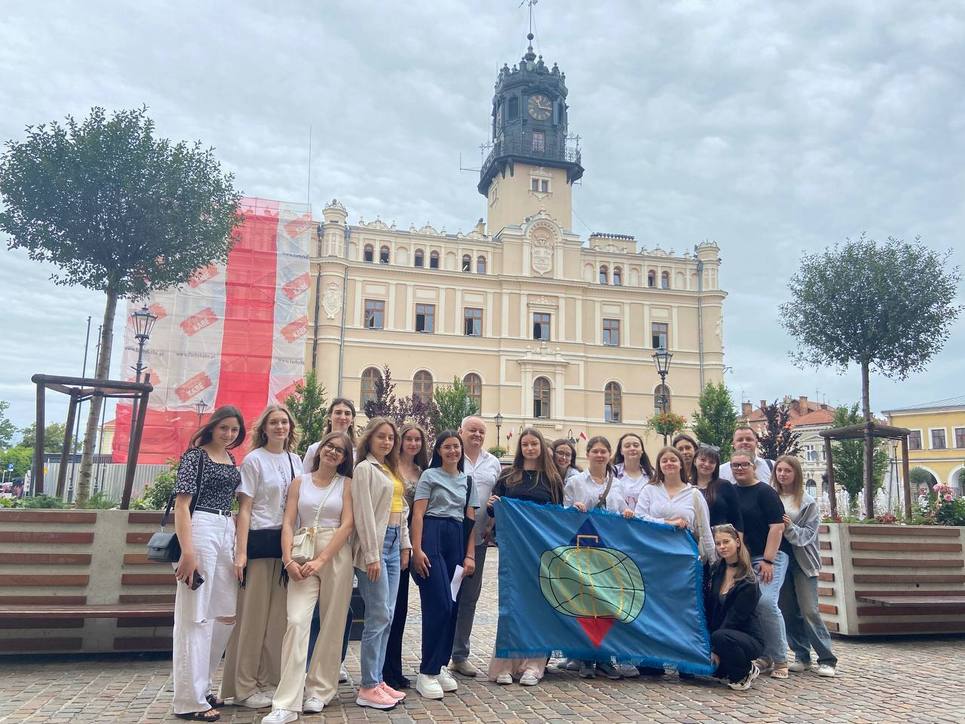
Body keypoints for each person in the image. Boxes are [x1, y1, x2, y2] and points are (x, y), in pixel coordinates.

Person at [262, 432, 355, 723]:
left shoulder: (347, 485)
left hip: (335, 554)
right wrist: (288, 558)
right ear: (319, 449)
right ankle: (286, 701)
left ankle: (320, 690)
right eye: (329, 446)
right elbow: (289, 521)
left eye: (339, 450)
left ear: (344, 458)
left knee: (331, 623)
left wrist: (323, 559)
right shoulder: (299, 482)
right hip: (301, 551)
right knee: (297, 621)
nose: (333, 452)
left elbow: (348, 524)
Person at [222, 405, 301, 709]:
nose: (280, 427)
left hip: (285, 547)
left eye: (284, 422)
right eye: (274, 422)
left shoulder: (296, 461)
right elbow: (244, 509)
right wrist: (240, 552)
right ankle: (242, 687)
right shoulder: (254, 460)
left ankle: (270, 681)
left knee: (277, 622)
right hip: (258, 542)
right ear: (264, 428)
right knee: (251, 620)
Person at [171, 406, 245, 722]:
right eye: (224, 428)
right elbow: (181, 505)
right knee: (194, 615)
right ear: (213, 427)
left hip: (225, 527)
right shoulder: (195, 457)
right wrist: (188, 552)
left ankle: (203, 686)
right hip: (199, 527)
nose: (228, 434)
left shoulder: (231, 459)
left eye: (234, 430)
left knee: (225, 614)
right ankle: (189, 700)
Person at [486, 427, 563, 686]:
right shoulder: (509, 477)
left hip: (541, 552)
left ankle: (534, 664)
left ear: (541, 447)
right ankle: (506, 663)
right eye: (526, 444)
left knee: (539, 606)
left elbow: (558, 517)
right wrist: (493, 505)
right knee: (512, 605)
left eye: (534, 444)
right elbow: (497, 514)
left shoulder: (552, 480)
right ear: (521, 448)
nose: (530, 448)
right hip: (514, 553)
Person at [410, 431, 479, 699]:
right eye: (447, 447)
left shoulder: (468, 481)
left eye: (456, 447)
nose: (452, 451)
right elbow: (418, 514)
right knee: (437, 603)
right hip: (433, 536)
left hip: (457, 540)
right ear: (438, 451)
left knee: (452, 606)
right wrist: (417, 548)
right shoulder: (430, 476)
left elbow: (470, 522)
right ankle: (426, 671)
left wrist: (469, 555)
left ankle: (439, 665)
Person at [351, 418, 411, 710]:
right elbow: (363, 514)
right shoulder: (365, 469)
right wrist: (371, 555)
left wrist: (405, 545)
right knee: (377, 617)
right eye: (381, 437)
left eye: (390, 438)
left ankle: (378, 678)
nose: (386, 442)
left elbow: (403, 511)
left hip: (393, 542)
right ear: (370, 439)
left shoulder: (390, 469)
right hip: (374, 546)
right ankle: (368, 685)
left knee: (386, 614)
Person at [562, 435, 632, 680]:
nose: (600, 455)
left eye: (604, 451)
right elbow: (563, 513)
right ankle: (585, 658)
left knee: (606, 603)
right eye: (595, 451)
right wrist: (574, 509)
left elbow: (621, 511)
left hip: (609, 550)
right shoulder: (575, 482)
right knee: (585, 603)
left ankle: (604, 658)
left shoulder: (619, 484)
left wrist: (626, 512)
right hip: (583, 548)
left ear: (609, 454)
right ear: (588, 453)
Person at [302, 397, 357, 685]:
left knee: (342, 607)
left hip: (344, 536)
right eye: (338, 412)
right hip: (314, 537)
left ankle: (336, 660)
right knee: (312, 608)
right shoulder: (315, 448)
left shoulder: (356, 451)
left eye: (347, 413)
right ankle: (311, 661)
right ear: (330, 416)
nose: (342, 416)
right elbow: (303, 489)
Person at [772, 455, 838, 677]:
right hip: (779, 558)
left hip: (803, 561)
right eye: (779, 470)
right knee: (788, 609)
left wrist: (789, 527)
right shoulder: (772, 496)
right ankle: (801, 654)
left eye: (787, 471)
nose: (782, 474)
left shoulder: (807, 501)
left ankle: (827, 658)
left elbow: (807, 536)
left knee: (809, 609)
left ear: (796, 473)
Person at [451, 416, 503, 678]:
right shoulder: (449, 454)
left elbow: (497, 497)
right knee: (445, 595)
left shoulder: (493, 463)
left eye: (481, 431)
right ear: (461, 432)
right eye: (472, 430)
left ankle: (460, 655)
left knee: (469, 598)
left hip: (479, 538)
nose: (477, 435)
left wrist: (491, 523)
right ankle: (439, 653)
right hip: (449, 537)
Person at [729, 449, 789, 679]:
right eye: (735, 465)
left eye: (744, 465)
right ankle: (765, 655)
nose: (740, 469)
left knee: (765, 603)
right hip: (743, 558)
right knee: (748, 605)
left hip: (769, 557)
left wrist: (768, 560)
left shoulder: (765, 492)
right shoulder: (731, 492)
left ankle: (781, 658)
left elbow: (777, 527)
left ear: (754, 466)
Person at [383, 423, 429, 690]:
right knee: (387, 608)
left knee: (400, 609)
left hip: (411, 542)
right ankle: (383, 669)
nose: (412, 444)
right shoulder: (390, 468)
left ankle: (395, 669)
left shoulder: (422, 473)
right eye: (408, 439)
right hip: (391, 539)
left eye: (417, 440)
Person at [704, 524, 765, 691]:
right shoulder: (716, 570)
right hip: (723, 632)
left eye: (726, 542)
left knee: (721, 638)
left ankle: (747, 671)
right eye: (718, 543)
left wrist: (715, 648)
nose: (722, 547)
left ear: (737, 542)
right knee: (717, 673)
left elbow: (735, 618)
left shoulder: (748, 580)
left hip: (747, 637)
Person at [634, 447, 716, 564]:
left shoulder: (694, 494)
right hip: (653, 555)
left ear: (681, 464)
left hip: (685, 558)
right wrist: (667, 522)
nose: (669, 463)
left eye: (673, 460)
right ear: (659, 466)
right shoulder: (649, 490)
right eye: (664, 461)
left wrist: (715, 564)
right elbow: (638, 520)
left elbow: (705, 531)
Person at [694, 445, 744, 530]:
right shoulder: (686, 486)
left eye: (711, 462)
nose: (706, 464)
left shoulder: (725, 486)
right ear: (695, 461)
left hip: (720, 539)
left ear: (716, 465)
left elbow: (736, 519)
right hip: (691, 538)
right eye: (703, 460)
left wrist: (740, 541)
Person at [612, 432, 654, 511]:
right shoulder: (613, 473)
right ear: (621, 451)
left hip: (644, 522)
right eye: (627, 446)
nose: (632, 448)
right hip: (617, 522)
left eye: (636, 445)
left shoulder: (652, 475)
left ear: (642, 450)